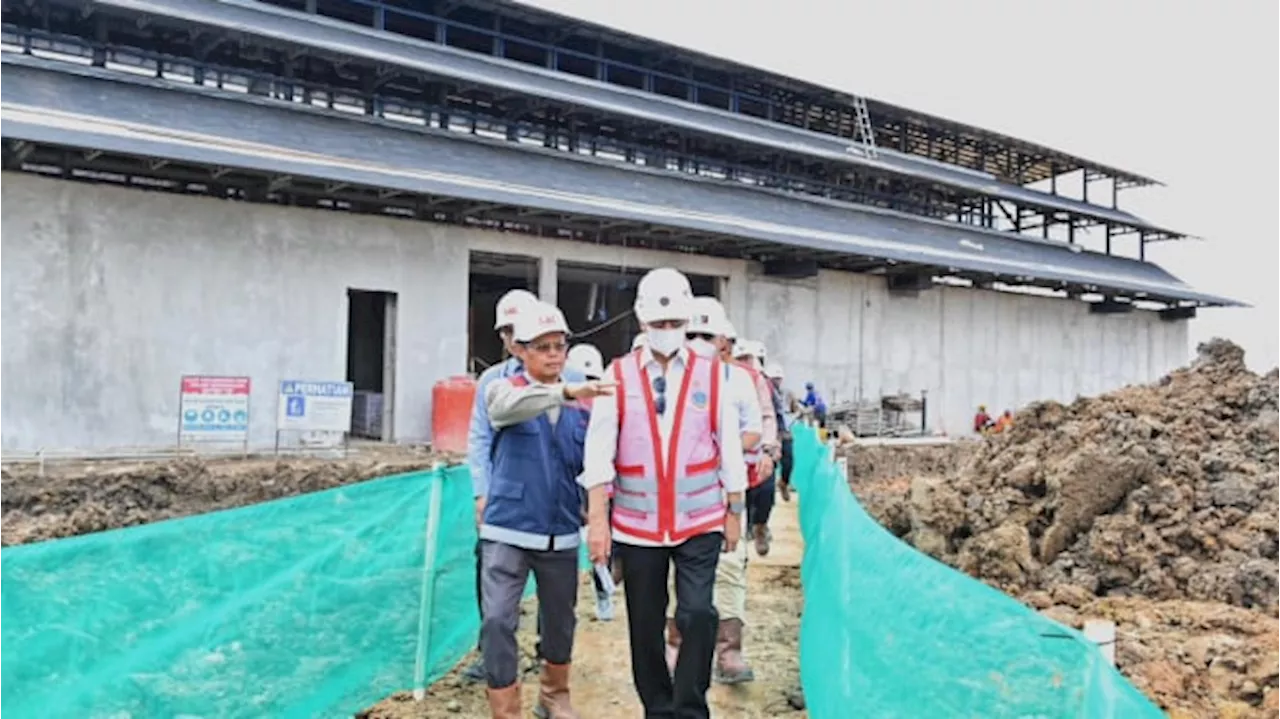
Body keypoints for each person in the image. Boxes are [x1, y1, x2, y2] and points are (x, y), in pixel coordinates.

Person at [581, 268, 747, 719]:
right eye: (659, 324)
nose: (668, 332)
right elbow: (598, 454)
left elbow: (728, 447)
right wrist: (598, 522)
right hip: (638, 525)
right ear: (641, 321)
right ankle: (658, 708)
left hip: (700, 520)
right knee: (645, 625)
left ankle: (690, 708)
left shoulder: (712, 377)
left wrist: (735, 510)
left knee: (696, 614)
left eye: (676, 325)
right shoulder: (617, 376)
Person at [480, 303, 615, 718]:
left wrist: (599, 519)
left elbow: (596, 462)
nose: (555, 355)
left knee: (560, 621)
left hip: (560, 531)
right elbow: (508, 408)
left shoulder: (584, 405)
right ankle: (505, 707)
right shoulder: (502, 390)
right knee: (498, 620)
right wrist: (567, 391)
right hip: (508, 530)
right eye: (543, 348)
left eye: (560, 346)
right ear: (521, 350)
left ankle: (554, 694)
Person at [675, 297, 763, 684]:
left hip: (724, 494)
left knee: (728, 569)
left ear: (724, 341)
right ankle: (675, 647)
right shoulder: (669, 379)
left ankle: (729, 652)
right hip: (676, 500)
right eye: (690, 334)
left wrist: (716, 452)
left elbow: (754, 431)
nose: (697, 342)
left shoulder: (738, 381)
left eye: (705, 335)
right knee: (674, 577)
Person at [463, 288, 538, 683]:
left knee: (553, 580)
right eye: (506, 332)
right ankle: (491, 655)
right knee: (490, 577)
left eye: (518, 330)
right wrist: (482, 492)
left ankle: (549, 653)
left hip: (547, 500)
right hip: (503, 502)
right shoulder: (492, 380)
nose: (512, 340)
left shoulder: (567, 376)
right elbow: (478, 438)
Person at [565, 343, 617, 622]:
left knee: (599, 546)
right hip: (569, 482)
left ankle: (603, 593)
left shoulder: (603, 402)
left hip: (595, 482)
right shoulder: (564, 404)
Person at [732, 341, 780, 559]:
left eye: (747, 359)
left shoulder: (761, 382)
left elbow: (772, 415)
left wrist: (772, 446)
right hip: (731, 459)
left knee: (765, 490)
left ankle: (760, 526)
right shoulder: (721, 378)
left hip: (759, 453)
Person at [765, 363, 796, 503]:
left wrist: (793, 415)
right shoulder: (763, 393)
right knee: (771, 466)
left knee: (788, 460)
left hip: (785, 433)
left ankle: (784, 482)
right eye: (774, 379)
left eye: (778, 379)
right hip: (770, 435)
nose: (776, 382)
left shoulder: (787, 394)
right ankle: (768, 501)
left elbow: (796, 408)